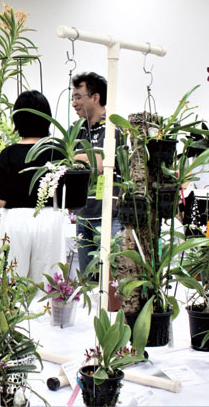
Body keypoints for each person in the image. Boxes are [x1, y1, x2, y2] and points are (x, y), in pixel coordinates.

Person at [0, 90, 65, 282]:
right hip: (50, 221)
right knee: (48, 286)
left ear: (17, 120)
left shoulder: (8, 154)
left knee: (8, 284)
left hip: (15, 221)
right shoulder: (57, 153)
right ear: (47, 118)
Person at [70, 72, 122, 278]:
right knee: (87, 282)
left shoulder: (114, 127)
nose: (74, 103)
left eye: (78, 97)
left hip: (109, 216)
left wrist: (74, 156)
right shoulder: (77, 130)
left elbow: (102, 163)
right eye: (72, 98)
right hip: (83, 216)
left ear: (95, 97)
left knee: (109, 283)